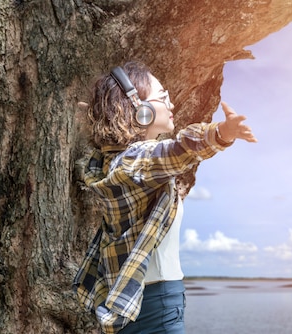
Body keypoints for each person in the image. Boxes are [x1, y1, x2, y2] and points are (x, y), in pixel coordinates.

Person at [73, 61, 257, 334]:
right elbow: (176, 151)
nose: (171, 104)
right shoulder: (136, 162)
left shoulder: (113, 163)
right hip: (157, 301)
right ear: (141, 110)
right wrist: (219, 133)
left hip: (139, 300)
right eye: (163, 98)